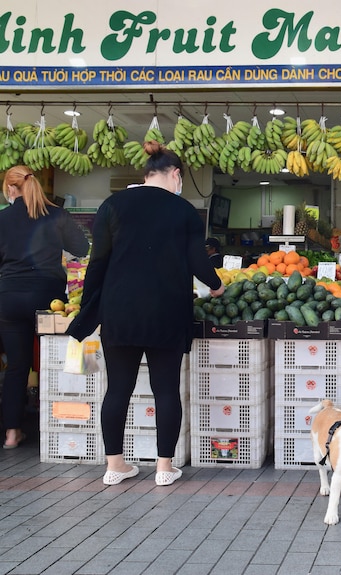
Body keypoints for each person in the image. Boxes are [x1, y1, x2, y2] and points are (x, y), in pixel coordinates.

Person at [68, 141, 225, 487]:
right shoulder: (184, 211)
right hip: (167, 311)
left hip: (119, 310)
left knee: (117, 389)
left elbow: (98, 263)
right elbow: (198, 260)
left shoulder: (113, 205)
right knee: (166, 389)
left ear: (146, 174)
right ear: (175, 175)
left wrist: (88, 309)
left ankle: (114, 466)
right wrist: (216, 285)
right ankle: (164, 468)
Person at [0, 166, 90, 449]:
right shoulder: (56, 214)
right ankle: (64, 426)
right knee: (56, 364)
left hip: (9, 297)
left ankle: (12, 433)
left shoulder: (2, 218)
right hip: (47, 299)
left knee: (17, 366)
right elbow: (82, 248)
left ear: (11, 189)